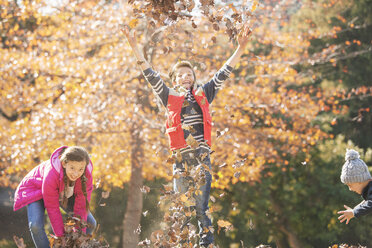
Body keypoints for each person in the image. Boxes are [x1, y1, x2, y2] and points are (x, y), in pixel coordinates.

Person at [122, 24, 251, 247]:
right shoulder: (168, 96)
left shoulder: (204, 93)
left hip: (202, 158)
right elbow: (149, 75)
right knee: (180, 207)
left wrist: (240, 48)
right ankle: (180, 243)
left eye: (189, 74)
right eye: (180, 75)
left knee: (202, 208)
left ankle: (206, 244)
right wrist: (135, 47)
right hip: (180, 159)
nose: (185, 77)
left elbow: (224, 73)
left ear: (194, 78)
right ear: (174, 80)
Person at [13, 146, 96, 248]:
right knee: (35, 226)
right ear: (64, 163)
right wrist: (61, 239)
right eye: (72, 168)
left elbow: (82, 206)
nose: (76, 173)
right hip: (35, 190)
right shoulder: (51, 174)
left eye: (80, 169)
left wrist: (78, 237)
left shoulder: (86, 176)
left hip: (60, 192)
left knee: (90, 222)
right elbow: (52, 208)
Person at [338, 149, 372, 224]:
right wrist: (354, 210)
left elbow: (370, 203)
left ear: (359, 180)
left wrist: (354, 212)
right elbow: (367, 201)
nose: (350, 189)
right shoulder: (369, 190)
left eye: (350, 185)